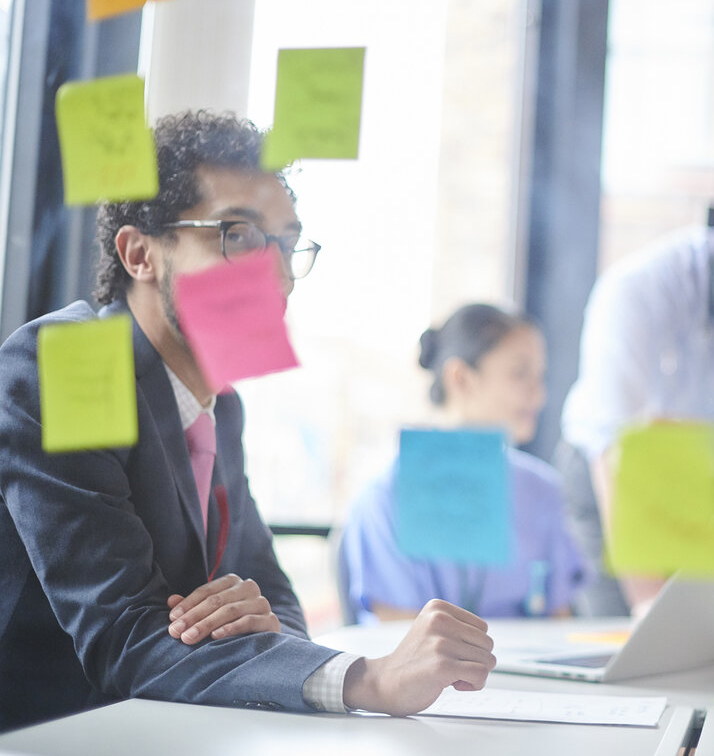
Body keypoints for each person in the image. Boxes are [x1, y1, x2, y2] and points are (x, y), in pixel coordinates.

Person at [0, 111, 496, 732]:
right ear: (140, 254)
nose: (279, 277)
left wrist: (254, 622)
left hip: (160, 732)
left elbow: (273, 594)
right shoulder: (69, 364)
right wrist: (370, 678)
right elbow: (126, 638)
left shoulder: (220, 402)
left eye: (287, 244)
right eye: (238, 236)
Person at [561, 164, 714, 613]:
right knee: (627, 644)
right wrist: (646, 605)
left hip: (709, 479)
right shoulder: (643, 287)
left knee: (712, 637)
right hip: (614, 476)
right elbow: (613, 450)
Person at [340, 304, 590, 624]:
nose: (538, 396)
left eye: (540, 377)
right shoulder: (386, 497)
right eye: (519, 374)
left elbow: (559, 622)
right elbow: (398, 638)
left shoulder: (541, 489)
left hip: (527, 673)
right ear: (460, 378)